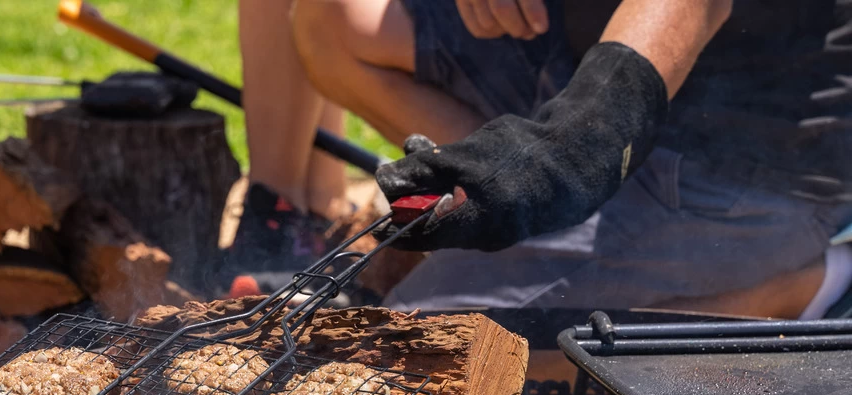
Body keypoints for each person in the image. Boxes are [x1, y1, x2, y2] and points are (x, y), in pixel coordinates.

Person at [227, 0, 852, 317]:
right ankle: (538, 220)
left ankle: (795, 291)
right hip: (573, 60)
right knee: (334, 20)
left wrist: (561, 154)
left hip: (741, 161)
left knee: (428, 363)